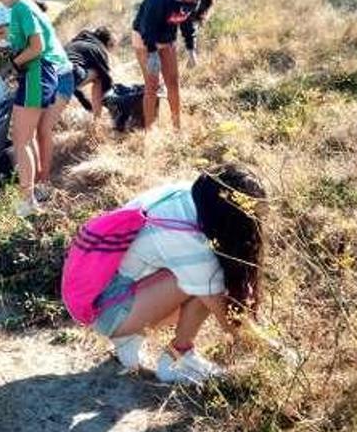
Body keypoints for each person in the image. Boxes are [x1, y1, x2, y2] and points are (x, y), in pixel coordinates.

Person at [91, 165, 266, 384]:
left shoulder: (191, 197)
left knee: (204, 280)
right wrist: (275, 353)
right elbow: (230, 321)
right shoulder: (186, 239)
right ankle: (176, 359)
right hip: (108, 310)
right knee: (208, 282)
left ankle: (130, 339)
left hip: (110, 296)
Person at [0, 0, 69, 217]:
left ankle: (28, 201)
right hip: (41, 74)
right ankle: (32, 195)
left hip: (37, 74)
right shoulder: (29, 6)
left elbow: (37, 47)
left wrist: (12, 65)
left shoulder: (21, 8)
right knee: (29, 137)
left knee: (21, 139)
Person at [131, 0, 214, 130]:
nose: (193, 3)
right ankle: (149, 130)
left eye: (196, 0)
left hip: (167, 40)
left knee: (173, 83)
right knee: (152, 85)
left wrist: (191, 49)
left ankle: (177, 127)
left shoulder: (192, 0)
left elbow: (187, 23)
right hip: (145, 39)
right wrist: (152, 53)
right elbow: (147, 26)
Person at [63, 26, 115, 122]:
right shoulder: (99, 49)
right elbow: (106, 79)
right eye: (112, 45)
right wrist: (112, 104)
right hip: (68, 75)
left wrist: (85, 102)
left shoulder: (74, 43)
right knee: (99, 76)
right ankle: (97, 122)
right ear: (107, 43)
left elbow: (69, 72)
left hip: (49, 74)